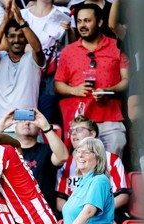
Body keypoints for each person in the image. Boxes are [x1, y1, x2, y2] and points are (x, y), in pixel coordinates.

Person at [54, 3, 129, 157]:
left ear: (100, 22)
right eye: (80, 21)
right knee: (82, 168)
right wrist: (74, 90)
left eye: (87, 21)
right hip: (80, 121)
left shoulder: (117, 46)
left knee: (112, 165)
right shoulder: (68, 51)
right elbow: (58, 84)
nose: (82, 25)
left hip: (110, 118)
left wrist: (108, 90)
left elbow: (127, 80)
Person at [0, 0, 45, 132]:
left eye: (21, 36)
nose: (16, 40)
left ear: (26, 39)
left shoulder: (33, 60)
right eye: (12, 36)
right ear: (6, 38)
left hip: (26, 128)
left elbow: (38, 50)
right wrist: (4, 22)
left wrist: (21, 22)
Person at [56, 114, 130, 213]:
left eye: (79, 130)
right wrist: (78, 215)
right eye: (71, 131)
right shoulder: (66, 163)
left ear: (92, 134)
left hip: (103, 216)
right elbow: (60, 200)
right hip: (75, 218)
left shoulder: (112, 159)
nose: (73, 133)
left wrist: (94, 212)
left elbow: (123, 196)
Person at [1, 108, 69, 213]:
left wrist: (46, 127)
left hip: (44, 212)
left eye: (31, 120)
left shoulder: (47, 150)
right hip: (15, 211)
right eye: (22, 120)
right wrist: (2, 126)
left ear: (39, 129)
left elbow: (63, 157)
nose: (27, 123)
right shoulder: (6, 151)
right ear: (15, 127)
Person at [20, 0, 73, 125]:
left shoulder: (64, 13)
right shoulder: (22, 15)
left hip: (52, 76)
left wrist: (70, 30)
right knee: (24, 117)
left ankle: (47, 143)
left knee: (47, 118)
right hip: (26, 74)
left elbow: (72, 46)